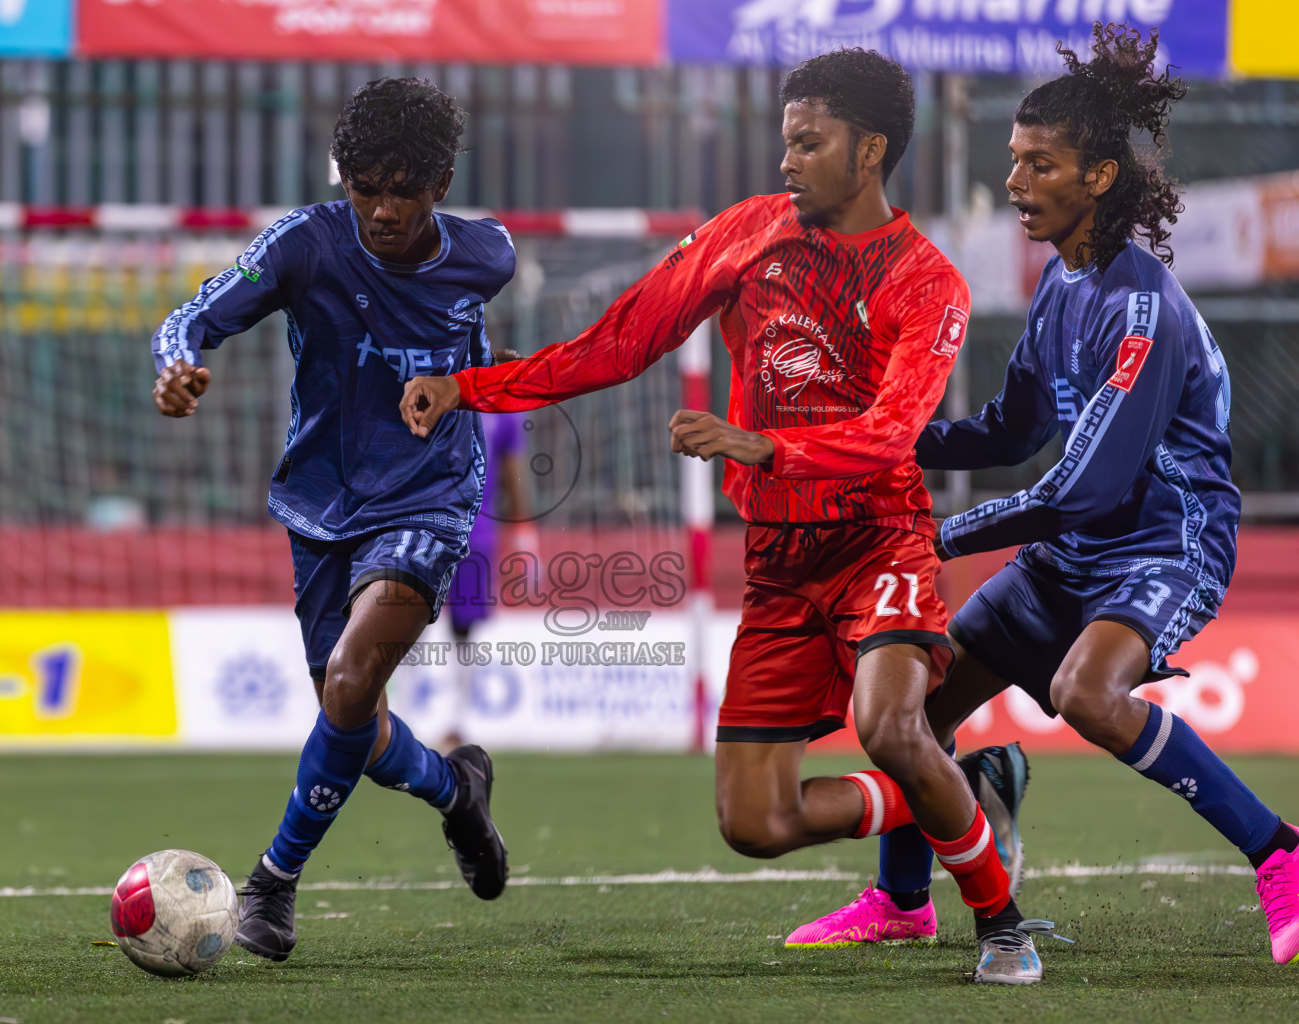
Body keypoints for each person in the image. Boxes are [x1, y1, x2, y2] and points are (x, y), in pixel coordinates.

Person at [402, 48, 1056, 984]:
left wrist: (764, 448)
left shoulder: (927, 282)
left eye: (807, 141)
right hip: (779, 564)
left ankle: (1003, 927)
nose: (785, 159)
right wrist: (467, 387)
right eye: (784, 140)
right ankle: (963, 790)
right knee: (754, 824)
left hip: (881, 542)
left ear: (869, 150)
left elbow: (889, 435)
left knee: (891, 724)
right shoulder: (748, 234)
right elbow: (617, 343)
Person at [788, 23, 1298, 966]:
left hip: (1164, 542)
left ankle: (1282, 856)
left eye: (1040, 166)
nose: (1016, 182)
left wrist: (936, 535)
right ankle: (904, 901)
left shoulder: (1138, 307)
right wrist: (874, 438)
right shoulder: (1063, 286)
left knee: (1086, 694)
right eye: (1015, 161)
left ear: (1098, 178)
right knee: (915, 715)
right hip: (1076, 547)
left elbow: (1080, 486)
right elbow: (1010, 430)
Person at [150, 77, 513, 962]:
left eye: (405, 189)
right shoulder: (304, 245)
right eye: (365, 187)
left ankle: (272, 883)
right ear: (341, 176)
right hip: (320, 503)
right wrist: (177, 366)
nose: (384, 210)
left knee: (351, 681)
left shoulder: (487, 256)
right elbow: (192, 316)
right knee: (356, 721)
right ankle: (456, 792)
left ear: (443, 181)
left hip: (430, 493)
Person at [441, 408, 529, 749]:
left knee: (463, 630)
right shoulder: (428, 389)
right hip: (421, 529)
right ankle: (399, 718)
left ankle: (456, 722)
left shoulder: (501, 410)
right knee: (407, 622)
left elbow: (512, 472)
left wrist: (522, 531)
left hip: (475, 536)